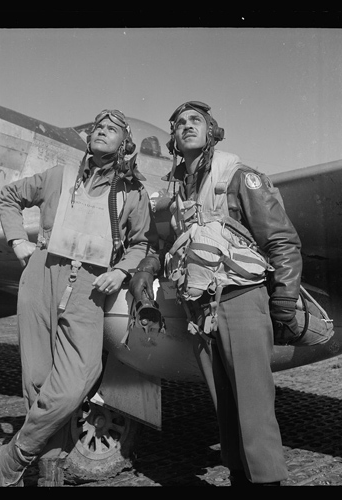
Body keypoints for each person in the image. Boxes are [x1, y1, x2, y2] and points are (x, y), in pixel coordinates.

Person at [129, 101, 303, 486]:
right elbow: (164, 246)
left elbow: (282, 241)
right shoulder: (173, 191)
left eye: (196, 121)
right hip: (198, 308)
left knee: (254, 406)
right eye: (179, 124)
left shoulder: (240, 178)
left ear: (212, 132)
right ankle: (241, 478)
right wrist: (145, 269)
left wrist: (285, 300)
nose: (187, 127)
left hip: (241, 299)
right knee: (224, 407)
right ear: (172, 138)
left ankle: (268, 482)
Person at [0, 109, 158, 487]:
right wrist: (19, 242)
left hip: (91, 286)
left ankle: (15, 454)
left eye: (111, 129)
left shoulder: (133, 193)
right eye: (98, 127)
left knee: (79, 378)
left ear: (125, 145)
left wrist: (120, 271)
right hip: (41, 276)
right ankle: (49, 474)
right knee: (37, 381)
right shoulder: (58, 176)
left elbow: (141, 243)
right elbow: (9, 196)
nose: (101, 131)